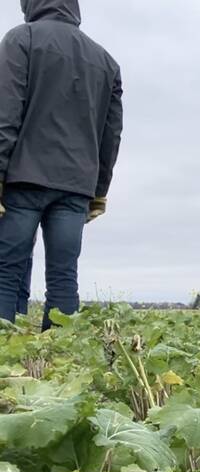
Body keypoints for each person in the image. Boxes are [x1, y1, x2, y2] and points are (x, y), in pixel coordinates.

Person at [0, 0, 123, 329]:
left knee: (5, 271)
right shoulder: (106, 61)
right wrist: (99, 191)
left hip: (23, 179)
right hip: (75, 187)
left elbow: (6, 114)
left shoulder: (21, 39)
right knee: (64, 276)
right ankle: (60, 363)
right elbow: (111, 136)